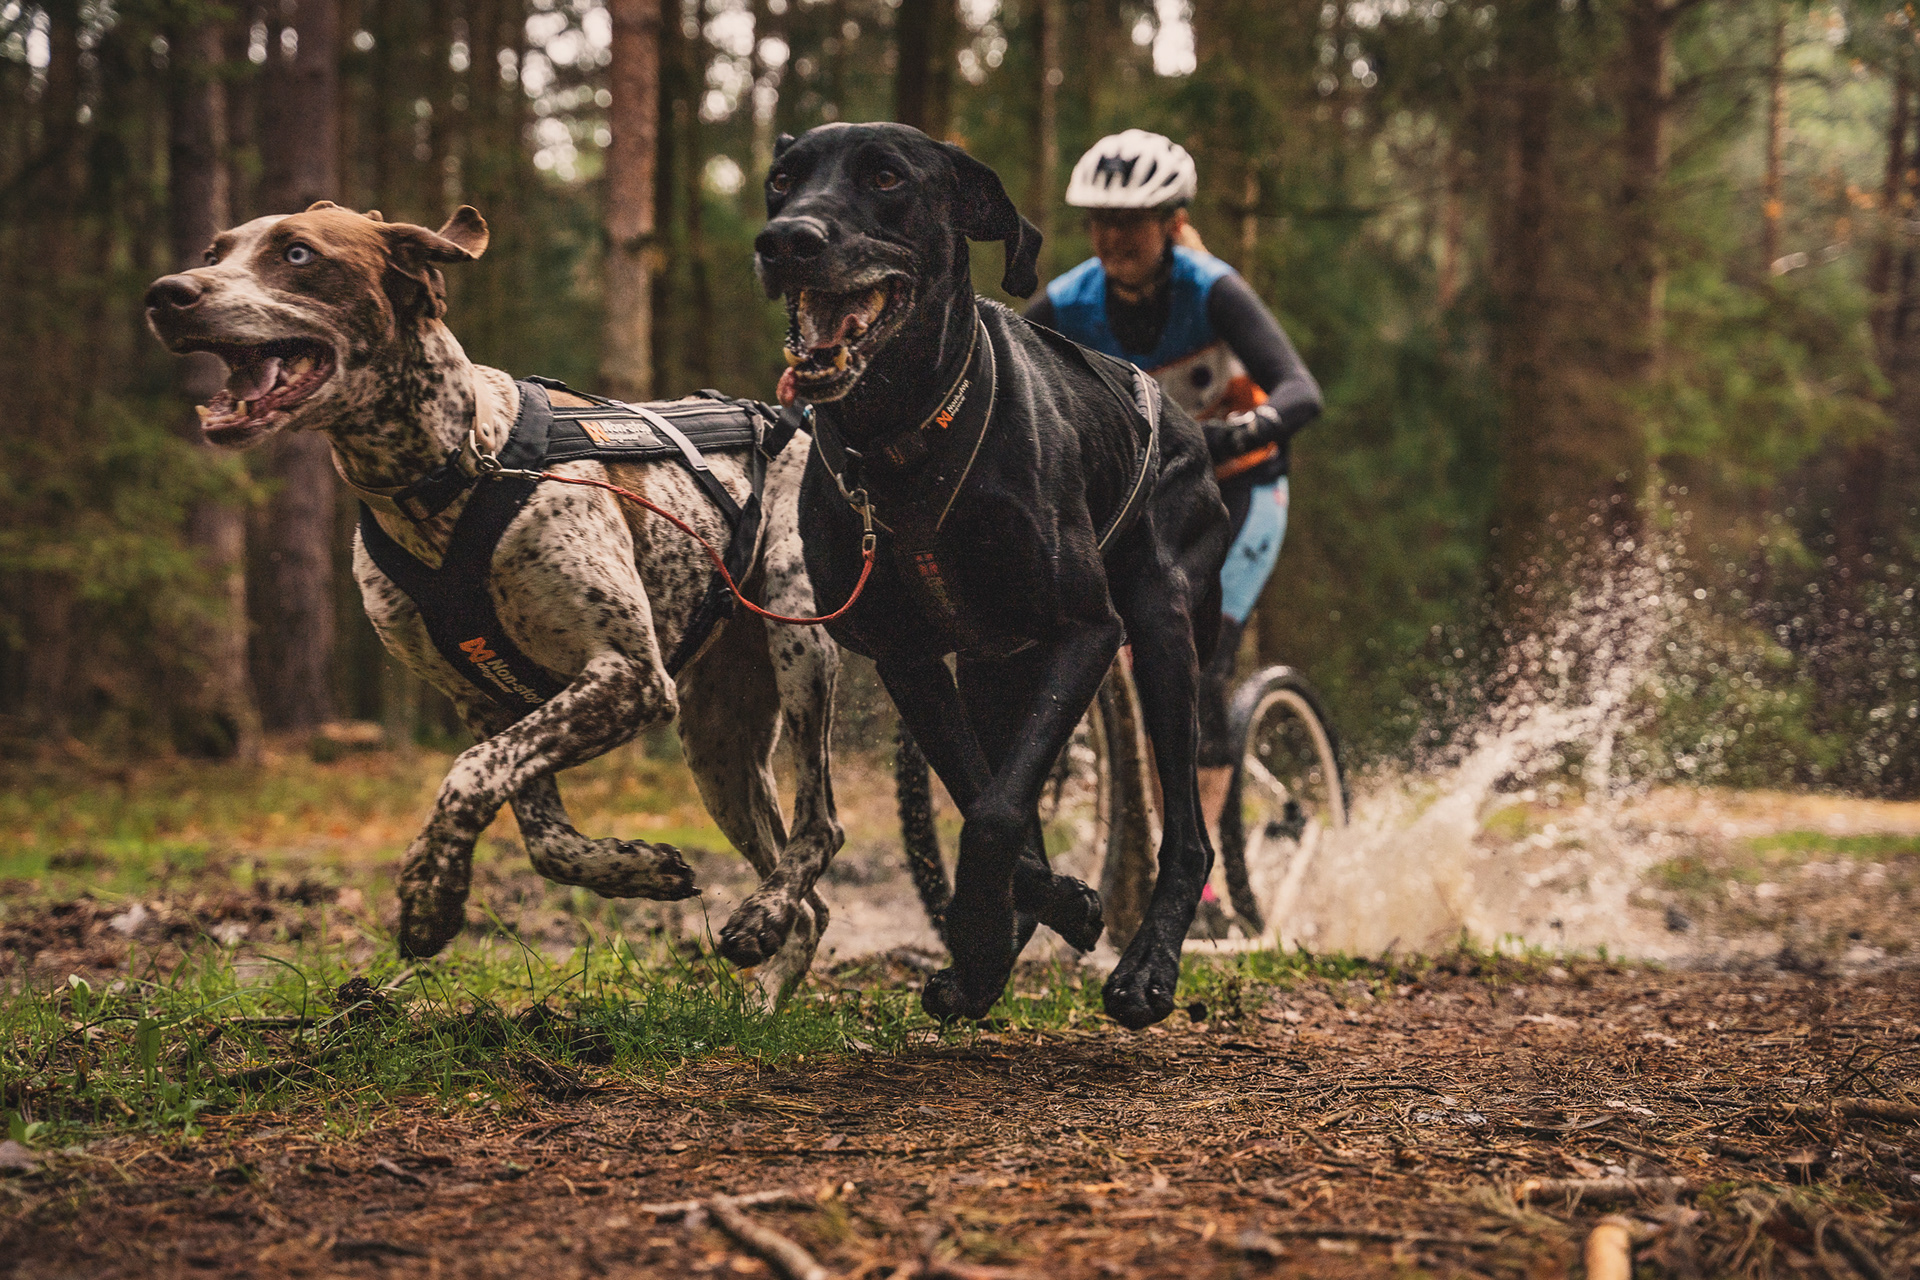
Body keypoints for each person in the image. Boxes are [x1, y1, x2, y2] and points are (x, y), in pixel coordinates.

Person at [1027, 129, 1323, 907]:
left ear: (1174, 221)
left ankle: (1201, 883)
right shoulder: (1067, 301)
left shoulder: (1212, 288)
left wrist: (1235, 433)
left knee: (1198, 653)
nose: (1112, 238)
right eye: (1098, 222)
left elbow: (1301, 391)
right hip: (1149, 501)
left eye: (1132, 220)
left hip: (1243, 494)